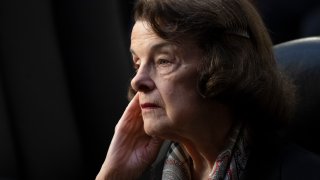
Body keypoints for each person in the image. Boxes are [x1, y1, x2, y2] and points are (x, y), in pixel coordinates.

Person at [96, 0, 320, 179]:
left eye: (163, 61)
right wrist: (112, 175)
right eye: (137, 64)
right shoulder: (146, 173)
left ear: (225, 67)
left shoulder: (303, 173)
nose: (137, 82)